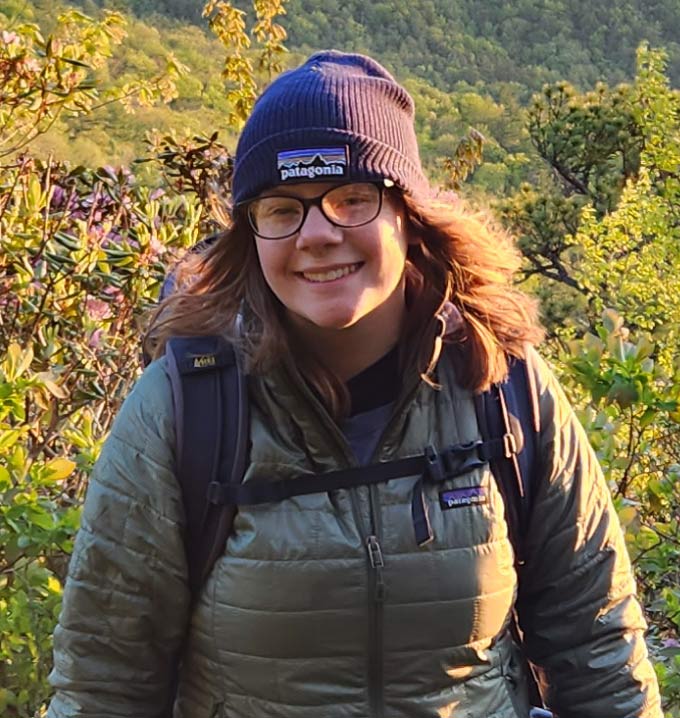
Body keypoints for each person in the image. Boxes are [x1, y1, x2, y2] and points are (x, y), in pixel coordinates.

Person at [47, 50, 662, 718]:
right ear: (250, 233)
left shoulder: (500, 387)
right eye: (282, 209)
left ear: (407, 212)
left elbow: (600, 656)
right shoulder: (186, 411)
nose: (317, 235)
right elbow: (103, 685)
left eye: (350, 199)